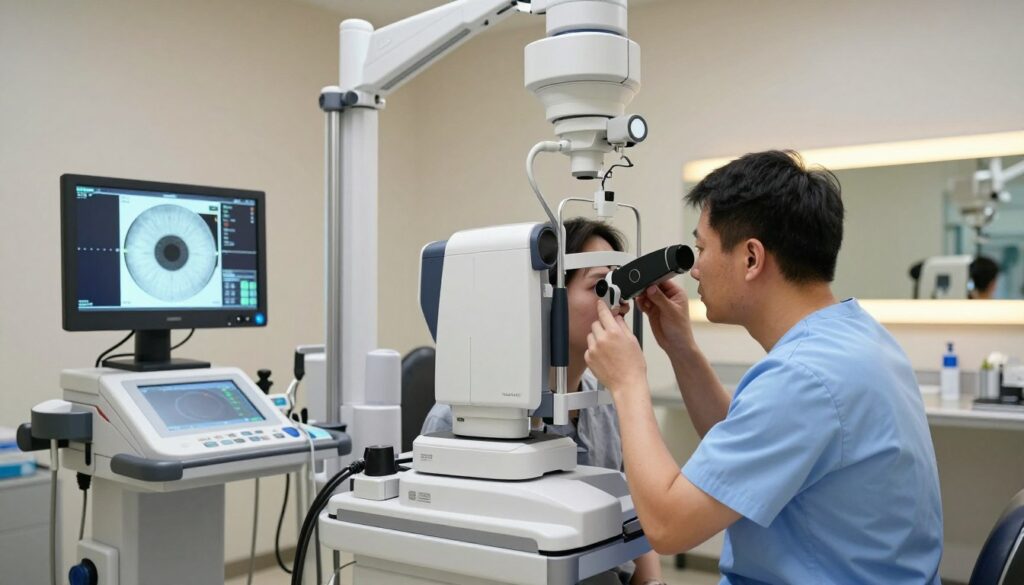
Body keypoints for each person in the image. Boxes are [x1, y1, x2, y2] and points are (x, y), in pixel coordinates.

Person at [584, 150, 943, 584]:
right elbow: (745, 440)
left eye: (701, 248)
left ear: (751, 258)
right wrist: (681, 348)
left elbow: (667, 527)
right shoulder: (858, 337)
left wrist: (627, 382)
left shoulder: (802, 379)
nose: (694, 270)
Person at [421, 217, 664, 585]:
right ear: (547, 299)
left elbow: (638, 512)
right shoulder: (464, 418)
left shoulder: (609, 399)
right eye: (601, 285)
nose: (620, 300)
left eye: (620, 284)